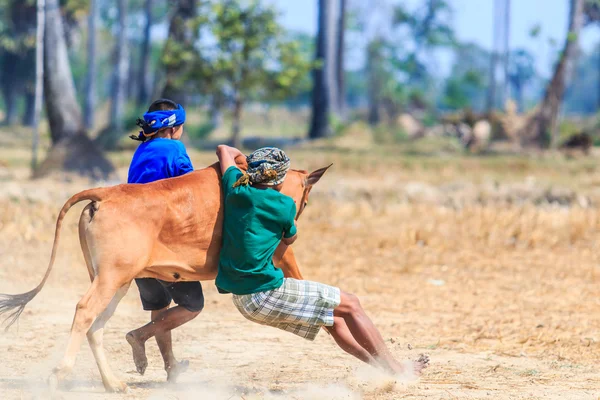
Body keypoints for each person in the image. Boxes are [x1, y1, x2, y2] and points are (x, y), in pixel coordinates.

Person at [215, 145, 429, 377]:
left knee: (334, 320)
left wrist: (253, 165)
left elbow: (223, 149)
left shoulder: (234, 190)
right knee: (352, 303)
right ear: (280, 178)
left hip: (242, 299)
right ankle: (398, 369)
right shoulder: (284, 205)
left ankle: (382, 368)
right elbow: (290, 238)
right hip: (264, 293)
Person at [125, 99, 205, 382]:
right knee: (193, 305)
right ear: (174, 128)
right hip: (165, 242)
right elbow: (189, 188)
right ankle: (139, 335)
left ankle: (170, 366)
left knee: (159, 306)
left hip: (136, 240)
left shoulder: (141, 149)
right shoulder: (175, 149)